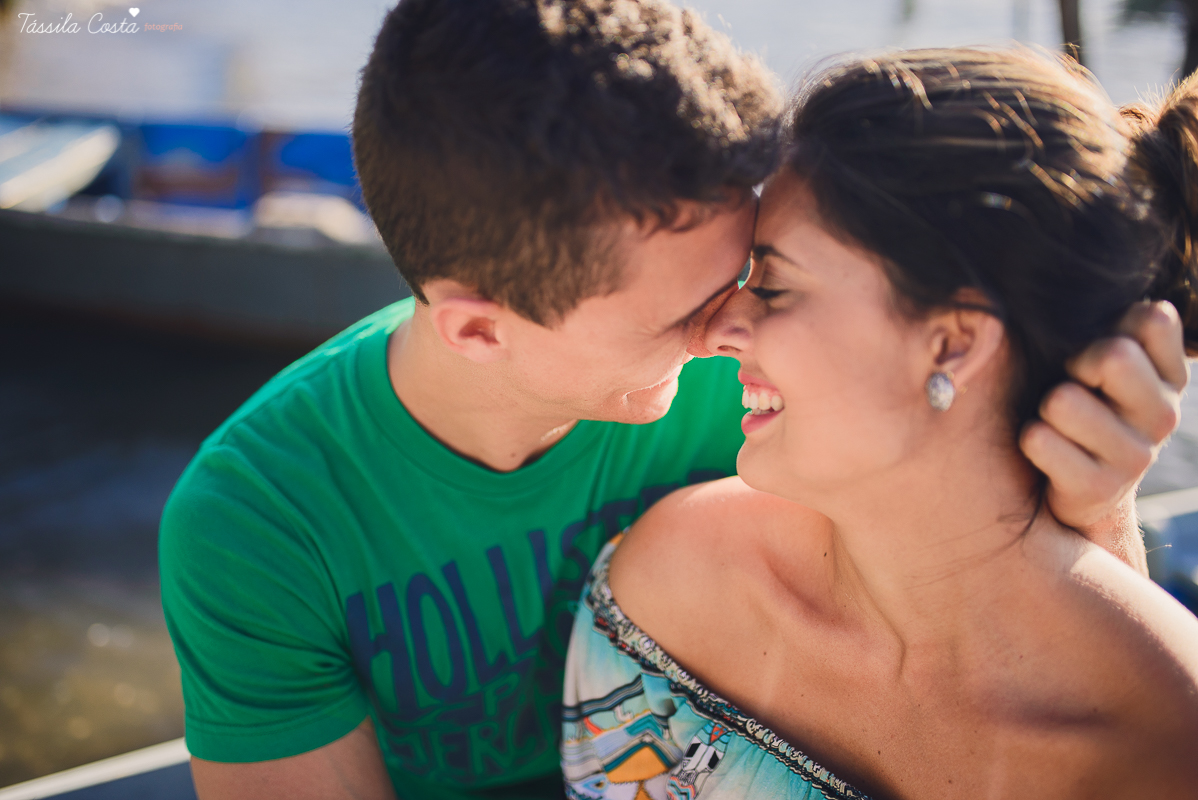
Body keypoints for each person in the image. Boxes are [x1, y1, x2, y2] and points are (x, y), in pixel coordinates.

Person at [159, 1, 1184, 797]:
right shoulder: (260, 520)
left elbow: (993, 622)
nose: (725, 335)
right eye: (691, 307)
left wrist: (1079, 501)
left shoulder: (764, 406)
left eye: (757, 275)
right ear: (478, 327)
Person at [562, 48, 1198, 800]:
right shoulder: (669, 590)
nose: (718, 326)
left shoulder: (1162, 746)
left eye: (773, 284)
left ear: (952, 343)